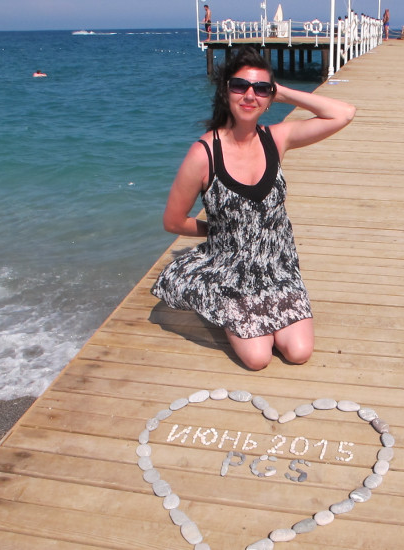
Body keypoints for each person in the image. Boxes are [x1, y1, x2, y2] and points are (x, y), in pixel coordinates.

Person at [151, 46, 356, 371]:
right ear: (225, 91)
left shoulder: (276, 138)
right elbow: (173, 221)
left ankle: (250, 315)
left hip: (278, 268)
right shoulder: (204, 153)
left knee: (298, 352)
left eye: (261, 89)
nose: (250, 95)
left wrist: (281, 92)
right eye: (240, 86)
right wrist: (219, 233)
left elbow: (343, 113)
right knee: (257, 358)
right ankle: (215, 299)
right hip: (231, 272)